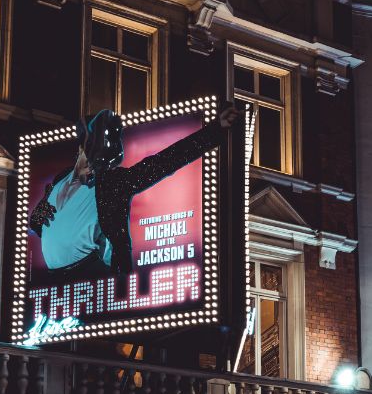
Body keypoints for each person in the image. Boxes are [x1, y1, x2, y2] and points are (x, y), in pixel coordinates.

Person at [30, 104, 241, 278]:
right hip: (53, 280)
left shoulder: (113, 182)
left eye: (101, 162)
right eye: (92, 159)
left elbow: (163, 163)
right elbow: (40, 223)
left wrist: (214, 131)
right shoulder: (60, 180)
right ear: (80, 150)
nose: (93, 167)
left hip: (91, 275)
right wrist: (40, 219)